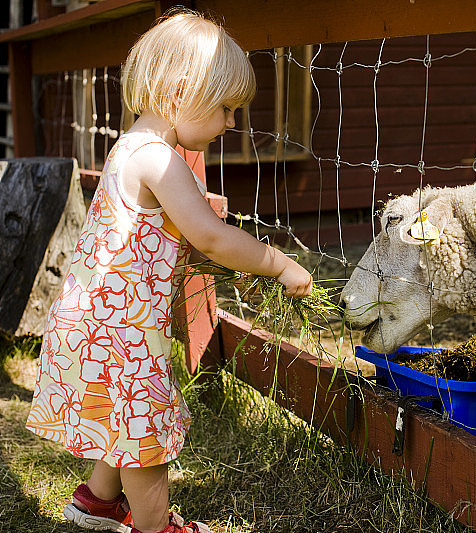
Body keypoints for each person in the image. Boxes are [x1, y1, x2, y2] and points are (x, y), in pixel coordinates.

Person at [25, 9, 313, 533]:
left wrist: (217, 257)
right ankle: (157, 527)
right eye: (226, 107)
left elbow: (170, 239)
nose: (231, 123)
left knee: (124, 420)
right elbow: (210, 234)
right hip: (119, 331)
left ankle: (97, 502)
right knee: (145, 434)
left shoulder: (131, 149)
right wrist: (278, 263)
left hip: (98, 323)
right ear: (183, 92)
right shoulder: (160, 159)